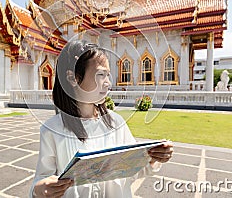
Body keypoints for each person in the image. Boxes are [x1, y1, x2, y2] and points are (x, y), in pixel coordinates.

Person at [30, 39, 173, 197]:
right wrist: (40, 188)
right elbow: (41, 179)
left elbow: (133, 170)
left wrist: (153, 158)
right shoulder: (52, 130)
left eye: (108, 75)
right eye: (101, 75)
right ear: (72, 78)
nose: (108, 83)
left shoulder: (116, 123)